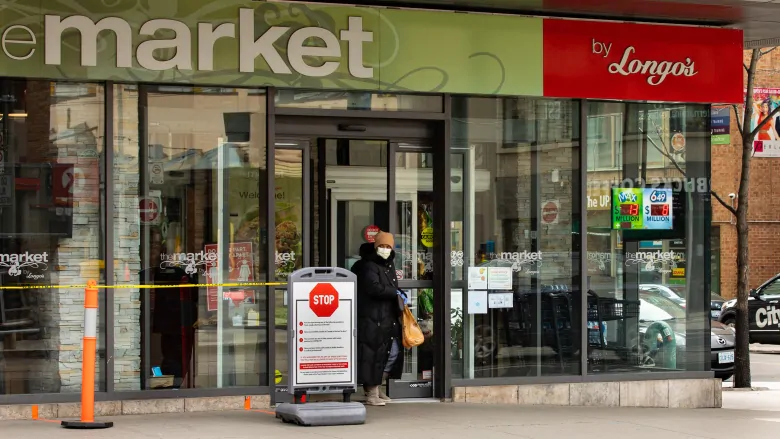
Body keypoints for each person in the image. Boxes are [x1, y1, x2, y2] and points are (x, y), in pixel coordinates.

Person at [351, 231, 408, 406]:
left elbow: (390, 286)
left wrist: (401, 294)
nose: (385, 249)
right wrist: (395, 293)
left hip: (387, 317)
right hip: (372, 317)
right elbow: (373, 288)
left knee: (391, 353)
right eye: (382, 246)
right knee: (372, 354)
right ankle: (371, 393)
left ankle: (377, 386)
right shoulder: (368, 265)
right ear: (375, 246)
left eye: (388, 246)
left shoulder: (388, 265)